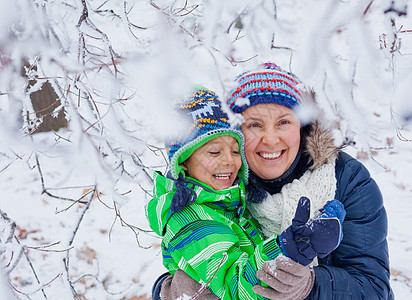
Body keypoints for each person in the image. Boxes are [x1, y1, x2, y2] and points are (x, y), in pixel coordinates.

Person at [152, 63, 393, 299]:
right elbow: (206, 263)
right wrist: (169, 291)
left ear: (302, 126)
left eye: (284, 122)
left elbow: (374, 290)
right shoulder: (216, 188)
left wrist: (309, 286)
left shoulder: (347, 180)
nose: (270, 139)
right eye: (254, 124)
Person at [146, 89, 345, 300]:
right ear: (183, 162)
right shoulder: (191, 220)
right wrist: (291, 247)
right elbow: (237, 286)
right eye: (214, 152)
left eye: (234, 151)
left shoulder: (224, 205)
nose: (229, 162)